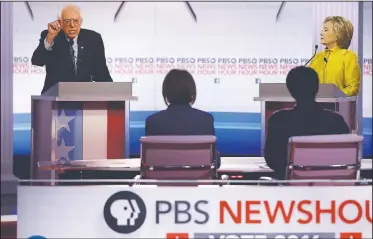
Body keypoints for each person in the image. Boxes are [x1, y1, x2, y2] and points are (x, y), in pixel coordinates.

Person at [264, 66, 350, 179]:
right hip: (328, 189)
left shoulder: (278, 120)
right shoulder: (336, 121)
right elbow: (345, 159)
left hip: (290, 190)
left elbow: (273, 161)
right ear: (316, 88)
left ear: (290, 90)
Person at [145, 69, 220, 168]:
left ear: (166, 93)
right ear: (192, 92)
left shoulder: (153, 121)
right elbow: (215, 162)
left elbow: (148, 161)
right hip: (198, 180)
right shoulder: (206, 120)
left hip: (164, 182)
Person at [31, 4, 112, 94]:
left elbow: (102, 73)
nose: (72, 25)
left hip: (84, 98)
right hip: (55, 98)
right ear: (60, 23)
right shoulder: (50, 35)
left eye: (75, 21)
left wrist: (112, 95)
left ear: (81, 22)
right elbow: (37, 61)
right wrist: (50, 38)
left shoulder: (93, 38)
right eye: (67, 21)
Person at [309, 16, 361, 96]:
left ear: (338, 34)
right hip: (314, 106)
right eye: (322, 30)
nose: (321, 33)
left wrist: (334, 96)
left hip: (337, 106)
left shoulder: (348, 56)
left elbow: (353, 88)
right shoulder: (317, 57)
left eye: (325, 30)